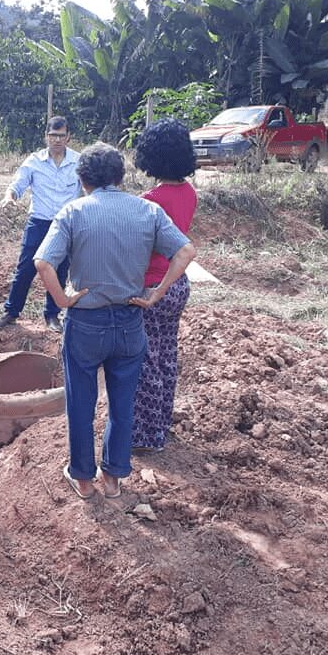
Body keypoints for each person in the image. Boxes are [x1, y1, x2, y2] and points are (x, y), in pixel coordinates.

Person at [34, 142, 196, 499]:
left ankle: (83, 480)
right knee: (123, 403)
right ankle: (113, 480)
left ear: (82, 178)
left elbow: (43, 262)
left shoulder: (73, 212)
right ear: (121, 176)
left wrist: (62, 300)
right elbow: (186, 251)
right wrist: (156, 293)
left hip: (86, 323)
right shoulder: (148, 211)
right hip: (130, 322)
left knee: (81, 403)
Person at [131, 119, 199, 453]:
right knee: (166, 357)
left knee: (146, 362)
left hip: (152, 287)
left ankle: (145, 436)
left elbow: (141, 250)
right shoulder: (188, 192)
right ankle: (160, 426)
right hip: (177, 284)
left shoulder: (150, 200)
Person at [0, 116, 81, 333]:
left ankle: (52, 315)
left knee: (60, 270)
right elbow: (18, 184)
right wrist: (10, 196)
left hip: (66, 225)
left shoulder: (78, 162)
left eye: (61, 135)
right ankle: (11, 312)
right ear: (46, 136)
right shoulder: (34, 161)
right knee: (25, 269)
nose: (57, 140)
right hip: (39, 222)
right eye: (53, 135)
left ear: (68, 137)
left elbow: (88, 189)